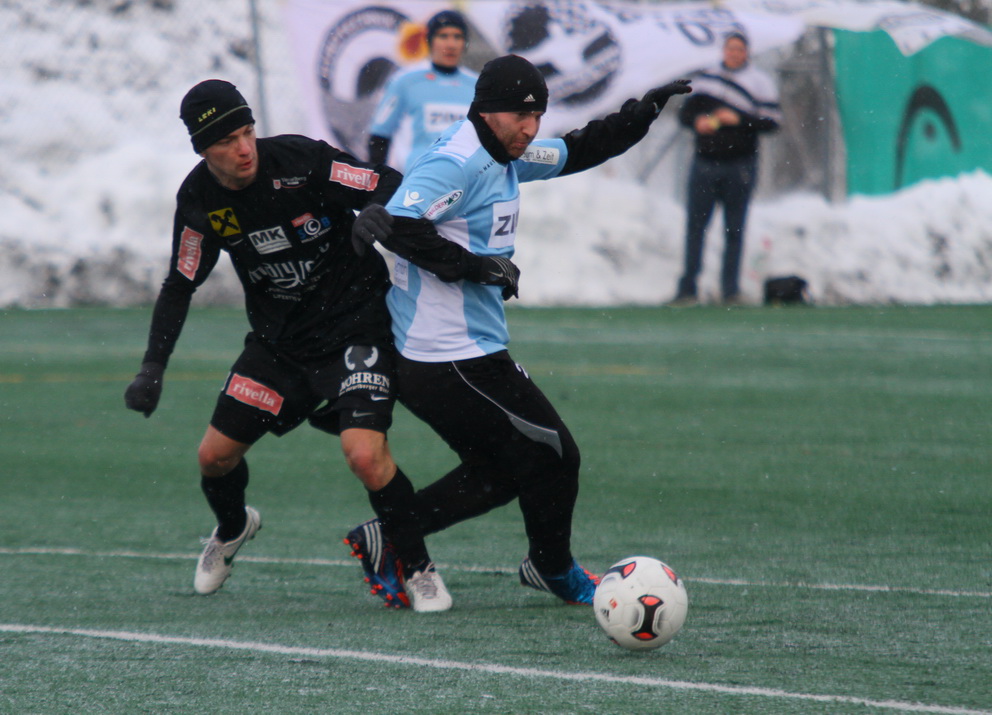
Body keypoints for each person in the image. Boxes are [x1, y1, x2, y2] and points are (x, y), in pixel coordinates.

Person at [346, 55, 691, 609]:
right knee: (555, 454)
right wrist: (477, 266)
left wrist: (639, 116)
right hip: (444, 356)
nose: (530, 129)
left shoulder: (505, 151)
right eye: (520, 116)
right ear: (486, 110)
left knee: (505, 471)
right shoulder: (456, 161)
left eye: (537, 116)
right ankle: (552, 568)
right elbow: (400, 226)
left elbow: (577, 149)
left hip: (466, 351)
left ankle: (390, 533)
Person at [123, 79, 451, 612]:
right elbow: (180, 284)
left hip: (356, 330)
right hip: (280, 346)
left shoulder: (300, 161)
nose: (244, 148)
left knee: (365, 456)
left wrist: (375, 210)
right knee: (214, 458)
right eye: (227, 140)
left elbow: (386, 180)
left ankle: (417, 567)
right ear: (203, 150)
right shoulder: (199, 200)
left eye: (247, 132)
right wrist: (151, 367)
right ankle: (233, 527)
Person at [671, 31, 781, 306]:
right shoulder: (705, 79)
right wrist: (697, 121)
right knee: (696, 227)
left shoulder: (760, 82)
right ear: (724, 51)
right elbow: (684, 114)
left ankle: (729, 290)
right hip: (705, 162)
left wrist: (740, 119)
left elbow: (772, 123)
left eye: (739, 49)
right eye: (730, 49)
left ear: (747, 53)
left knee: (734, 229)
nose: (734, 54)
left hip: (740, 164)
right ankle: (688, 288)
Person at [367, 9, 476, 171]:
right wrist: (379, 178)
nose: (451, 44)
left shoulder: (476, 85)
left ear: (464, 43)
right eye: (443, 36)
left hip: (464, 180)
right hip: (416, 178)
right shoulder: (405, 81)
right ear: (430, 41)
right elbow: (380, 135)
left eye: (457, 37)